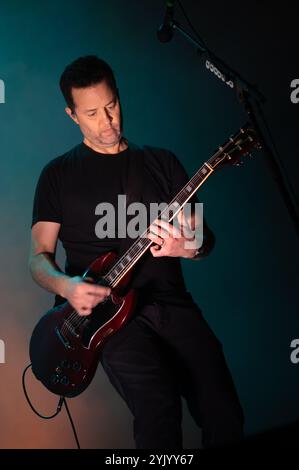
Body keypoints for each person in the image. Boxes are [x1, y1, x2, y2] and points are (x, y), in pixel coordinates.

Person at [29, 55, 244, 449]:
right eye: (92, 113)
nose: (107, 121)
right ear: (72, 115)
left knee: (223, 409)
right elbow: (37, 258)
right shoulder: (57, 176)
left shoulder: (161, 163)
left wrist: (188, 246)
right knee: (158, 409)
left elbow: (204, 240)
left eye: (111, 106)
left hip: (172, 304)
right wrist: (67, 287)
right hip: (109, 318)